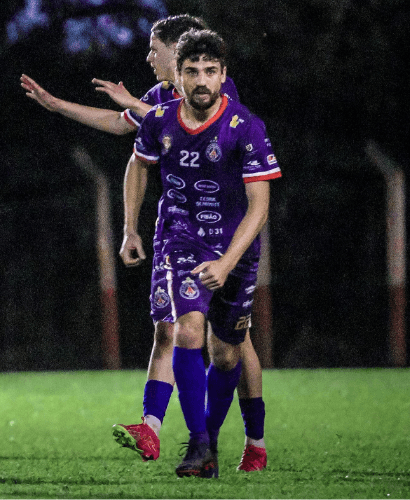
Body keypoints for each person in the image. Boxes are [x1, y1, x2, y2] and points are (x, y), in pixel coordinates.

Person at [22, 15, 268, 471]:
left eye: (154, 49)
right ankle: (179, 436)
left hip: (232, 241)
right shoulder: (158, 102)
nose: (148, 57)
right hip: (181, 236)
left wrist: (136, 106)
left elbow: (172, 122)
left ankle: (252, 439)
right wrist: (58, 106)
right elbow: (129, 130)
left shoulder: (225, 101)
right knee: (178, 329)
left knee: (233, 346)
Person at [124, 28, 280, 477]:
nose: (201, 81)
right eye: (192, 71)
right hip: (182, 241)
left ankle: (223, 439)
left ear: (222, 75)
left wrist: (228, 262)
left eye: (210, 72)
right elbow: (138, 164)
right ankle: (199, 447)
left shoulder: (245, 127)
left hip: (235, 250)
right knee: (187, 331)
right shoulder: (159, 120)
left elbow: (260, 207)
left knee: (228, 353)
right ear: (179, 74)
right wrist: (131, 228)